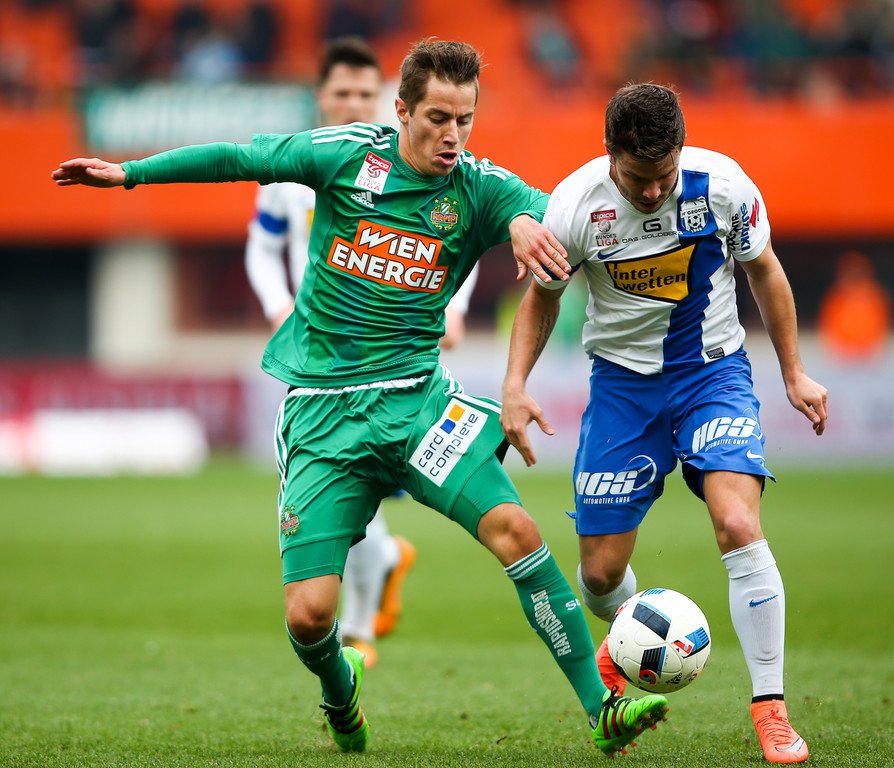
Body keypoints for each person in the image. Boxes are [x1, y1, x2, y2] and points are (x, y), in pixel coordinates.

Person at [53, 41, 669, 756]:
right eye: (437, 118)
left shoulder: (479, 188)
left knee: (518, 532)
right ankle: (338, 685)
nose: (453, 135)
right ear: (401, 110)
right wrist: (130, 174)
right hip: (322, 416)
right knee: (310, 616)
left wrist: (530, 221)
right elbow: (237, 158)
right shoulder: (347, 155)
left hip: (418, 407)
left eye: (465, 119)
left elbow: (569, 217)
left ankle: (601, 709)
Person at [501, 83, 828, 765]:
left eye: (665, 175)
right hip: (623, 387)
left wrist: (794, 372)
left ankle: (771, 709)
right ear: (609, 155)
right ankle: (630, 636)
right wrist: (514, 384)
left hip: (713, 373)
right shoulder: (575, 206)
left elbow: (765, 271)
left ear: (682, 148)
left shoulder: (724, 186)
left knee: (737, 524)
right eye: (637, 179)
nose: (652, 192)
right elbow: (542, 299)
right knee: (599, 575)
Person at [244, 36, 483, 670]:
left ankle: (364, 602)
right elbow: (262, 248)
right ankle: (360, 616)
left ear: (386, 99)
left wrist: (454, 307)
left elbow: (463, 232)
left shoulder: (405, 161)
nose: (354, 103)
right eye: (342, 92)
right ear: (320, 96)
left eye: (364, 93)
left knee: (361, 476)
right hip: (320, 352)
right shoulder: (301, 166)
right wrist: (277, 306)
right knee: (338, 478)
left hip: (395, 347)